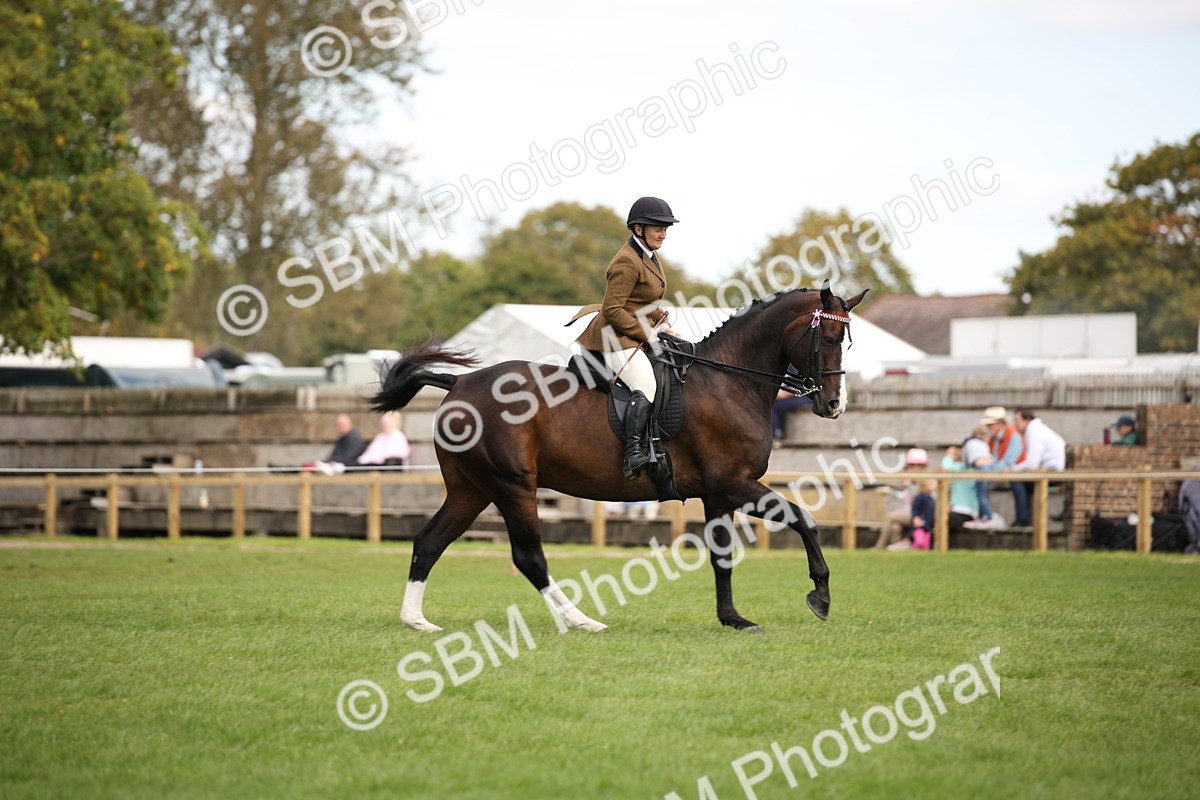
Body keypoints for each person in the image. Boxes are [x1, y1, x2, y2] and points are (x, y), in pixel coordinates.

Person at [569, 196, 679, 479]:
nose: (663, 234)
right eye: (658, 228)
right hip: (614, 337)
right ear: (639, 229)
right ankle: (632, 454)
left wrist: (663, 323)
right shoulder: (627, 261)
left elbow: (642, 301)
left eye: (665, 229)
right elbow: (613, 309)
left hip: (630, 330)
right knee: (646, 384)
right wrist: (646, 333)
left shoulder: (649, 254)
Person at [1011, 408, 1066, 527]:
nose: (1015, 424)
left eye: (1017, 420)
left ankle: (1023, 521)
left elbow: (1032, 463)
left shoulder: (1034, 432)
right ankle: (1026, 519)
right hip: (1052, 471)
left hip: (1054, 473)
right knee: (1024, 482)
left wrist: (1013, 470)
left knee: (1016, 480)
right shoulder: (1037, 429)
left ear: (1027, 420)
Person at [875, 447, 929, 549]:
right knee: (895, 526)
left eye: (912, 466)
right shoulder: (912, 482)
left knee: (890, 516)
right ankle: (897, 550)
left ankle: (879, 546)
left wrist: (909, 485)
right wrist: (890, 492)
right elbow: (903, 497)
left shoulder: (925, 482)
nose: (910, 469)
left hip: (918, 514)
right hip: (909, 512)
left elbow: (918, 499)